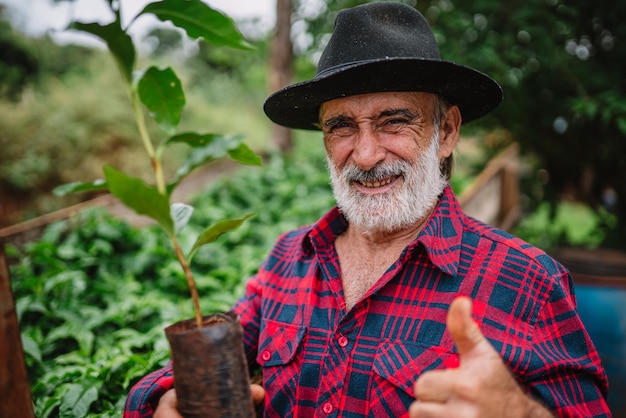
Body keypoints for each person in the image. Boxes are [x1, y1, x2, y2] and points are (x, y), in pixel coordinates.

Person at [124, 2, 611, 417]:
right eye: (341, 127)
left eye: (394, 122)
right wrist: (163, 398)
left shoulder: (524, 280)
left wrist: (518, 411)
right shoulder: (291, 256)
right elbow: (215, 345)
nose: (365, 154)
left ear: (448, 132)